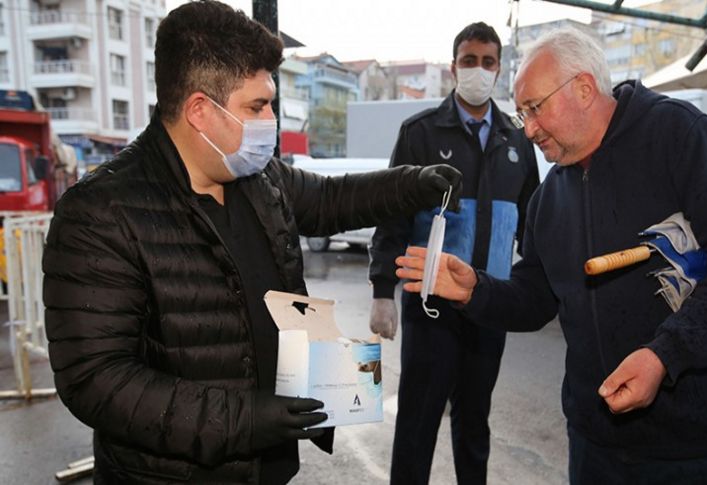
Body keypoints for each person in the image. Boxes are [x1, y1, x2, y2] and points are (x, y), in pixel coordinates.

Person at [41, 2, 461, 483]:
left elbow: (331, 199)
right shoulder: (100, 213)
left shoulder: (255, 175)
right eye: (256, 107)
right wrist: (243, 420)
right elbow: (97, 380)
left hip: (266, 465)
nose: (270, 121)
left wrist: (412, 184)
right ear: (200, 110)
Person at [394, 27, 707, 484]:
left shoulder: (681, 136)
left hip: (701, 453)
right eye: (522, 115)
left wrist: (665, 355)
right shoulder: (549, 198)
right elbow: (536, 295)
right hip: (596, 449)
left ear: (583, 88)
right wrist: (475, 290)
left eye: (535, 109)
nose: (530, 129)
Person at [368, 22, 539, 485]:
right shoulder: (420, 134)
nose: (478, 70)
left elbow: (534, 226)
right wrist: (383, 289)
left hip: (490, 306)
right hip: (432, 308)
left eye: (487, 62)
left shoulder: (518, 141)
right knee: (418, 423)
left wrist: (547, 286)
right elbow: (392, 215)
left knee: (474, 424)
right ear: (452, 68)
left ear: (499, 70)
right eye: (469, 61)